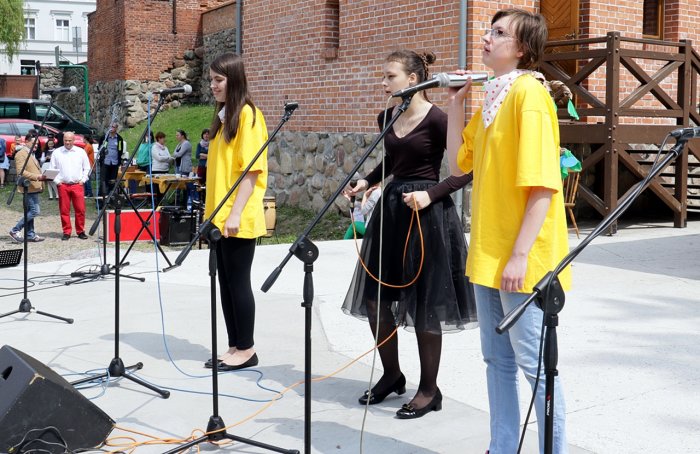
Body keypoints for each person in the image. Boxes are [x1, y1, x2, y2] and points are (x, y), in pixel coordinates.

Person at [445, 9, 572, 453]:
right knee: (496, 361)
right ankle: (501, 447)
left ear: (521, 49)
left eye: (499, 33)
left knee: (535, 368)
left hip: (523, 257)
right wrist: (456, 103)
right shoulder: (494, 95)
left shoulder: (528, 95)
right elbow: (458, 164)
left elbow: (543, 185)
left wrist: (519, 255)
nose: (486, 37)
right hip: (488, 252)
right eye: (488, 29)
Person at [342, 49, 477, 419]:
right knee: (376, 299)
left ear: (413, 79)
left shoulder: (438, 119)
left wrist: (430, 195)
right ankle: (392, 375)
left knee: (424, 304)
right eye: (384, 76)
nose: (384, 83)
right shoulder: (387, 116)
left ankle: (429, 390)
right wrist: (367, 181)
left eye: (390, 76)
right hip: (392, 212)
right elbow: (391, 162)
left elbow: (466, 169)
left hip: (427, 213)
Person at [204, 52, 269, 371]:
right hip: (218, 215)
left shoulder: (248, 115)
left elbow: (251, 171)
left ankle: (247, 348)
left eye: (219, 80)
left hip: (237, 216)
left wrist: (234, 214)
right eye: (211, 80)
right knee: (226, 283)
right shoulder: (223, 117)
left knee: (239, 282)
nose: (213, 86)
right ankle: (234, 345)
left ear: (235, 80)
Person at [50, 132, 91, 240]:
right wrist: (57, 181)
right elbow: (52, 169)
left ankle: (80, 231)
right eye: (65, 140)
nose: (67, 142)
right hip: (63, 184)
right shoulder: (57, 152)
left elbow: (87, 168)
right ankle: (66, 231)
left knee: (80, 209)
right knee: (64, 210)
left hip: (77, 184)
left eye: (69, 140)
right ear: (63, 140)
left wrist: (83, 179)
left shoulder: (80, 152)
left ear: (74, 140)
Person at [9, 130, 46, 242]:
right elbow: (21, 172)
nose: (36, 146)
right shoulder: (21, 154)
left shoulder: (31, 153)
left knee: (30, 211)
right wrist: (37, 177)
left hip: (33, 187)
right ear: (26, 142)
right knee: (34, 211)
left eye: (37, 144)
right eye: (34, 143)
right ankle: (15, 230)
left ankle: (30, 234)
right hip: (27, 187)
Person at [98, 122, 125, 194]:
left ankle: (111, 196)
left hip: (114, 163)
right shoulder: (105, 137)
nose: (111, 128)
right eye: (111, 126)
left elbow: (120, 150)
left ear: (116, 128)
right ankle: (102, 197)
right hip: (105, 162)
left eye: (113, 127)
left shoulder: (119, 139)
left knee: (112, 181)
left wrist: (119, 161)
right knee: (103, 181)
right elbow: (100, 148)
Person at [172, 129, 194, 206]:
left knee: (184, 185)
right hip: (178, 166)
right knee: (178, 185)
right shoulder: (179, 144)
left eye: (177, 135)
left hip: (184, 167)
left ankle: (185, 203)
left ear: (182, 136)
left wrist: (175, 154)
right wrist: (175, 154)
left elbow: (179, 154)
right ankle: (177, 203)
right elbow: (175, 153)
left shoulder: (186, 143)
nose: (176, 137)